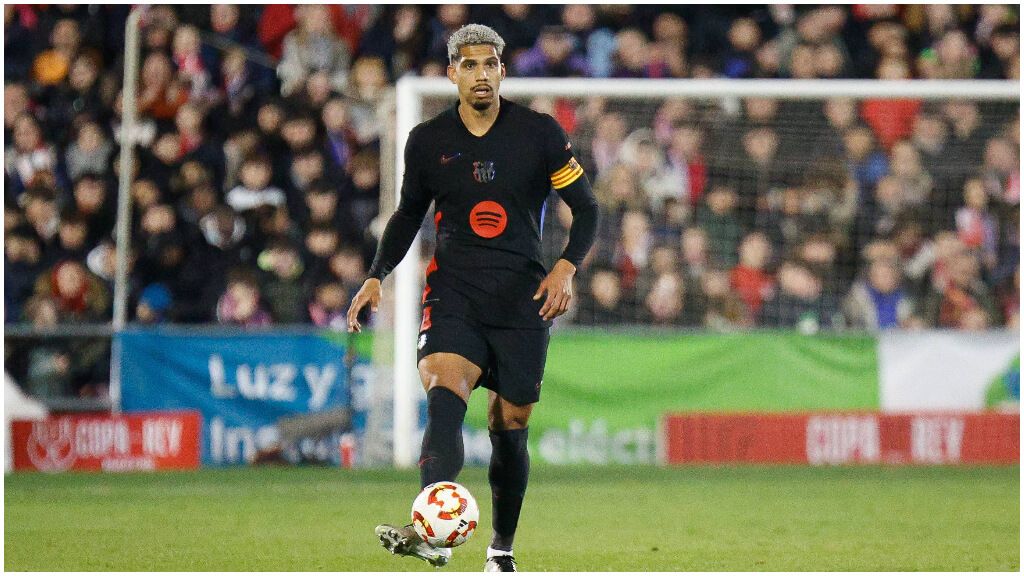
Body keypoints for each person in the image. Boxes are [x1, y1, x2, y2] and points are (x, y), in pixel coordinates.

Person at [346, 24, 598, 572]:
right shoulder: (429, 141)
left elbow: (589, 208)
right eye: (470, 65)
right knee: (442, 386)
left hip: (523, 297)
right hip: (455, 291)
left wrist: (565, 266)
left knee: (510, 423)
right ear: (451, 72)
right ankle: (432, 533)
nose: (481, 74)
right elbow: (409, 213)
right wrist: (376, 274)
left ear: (503, 71)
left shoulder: (539, 134)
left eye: (490, 65)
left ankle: (500, 553)